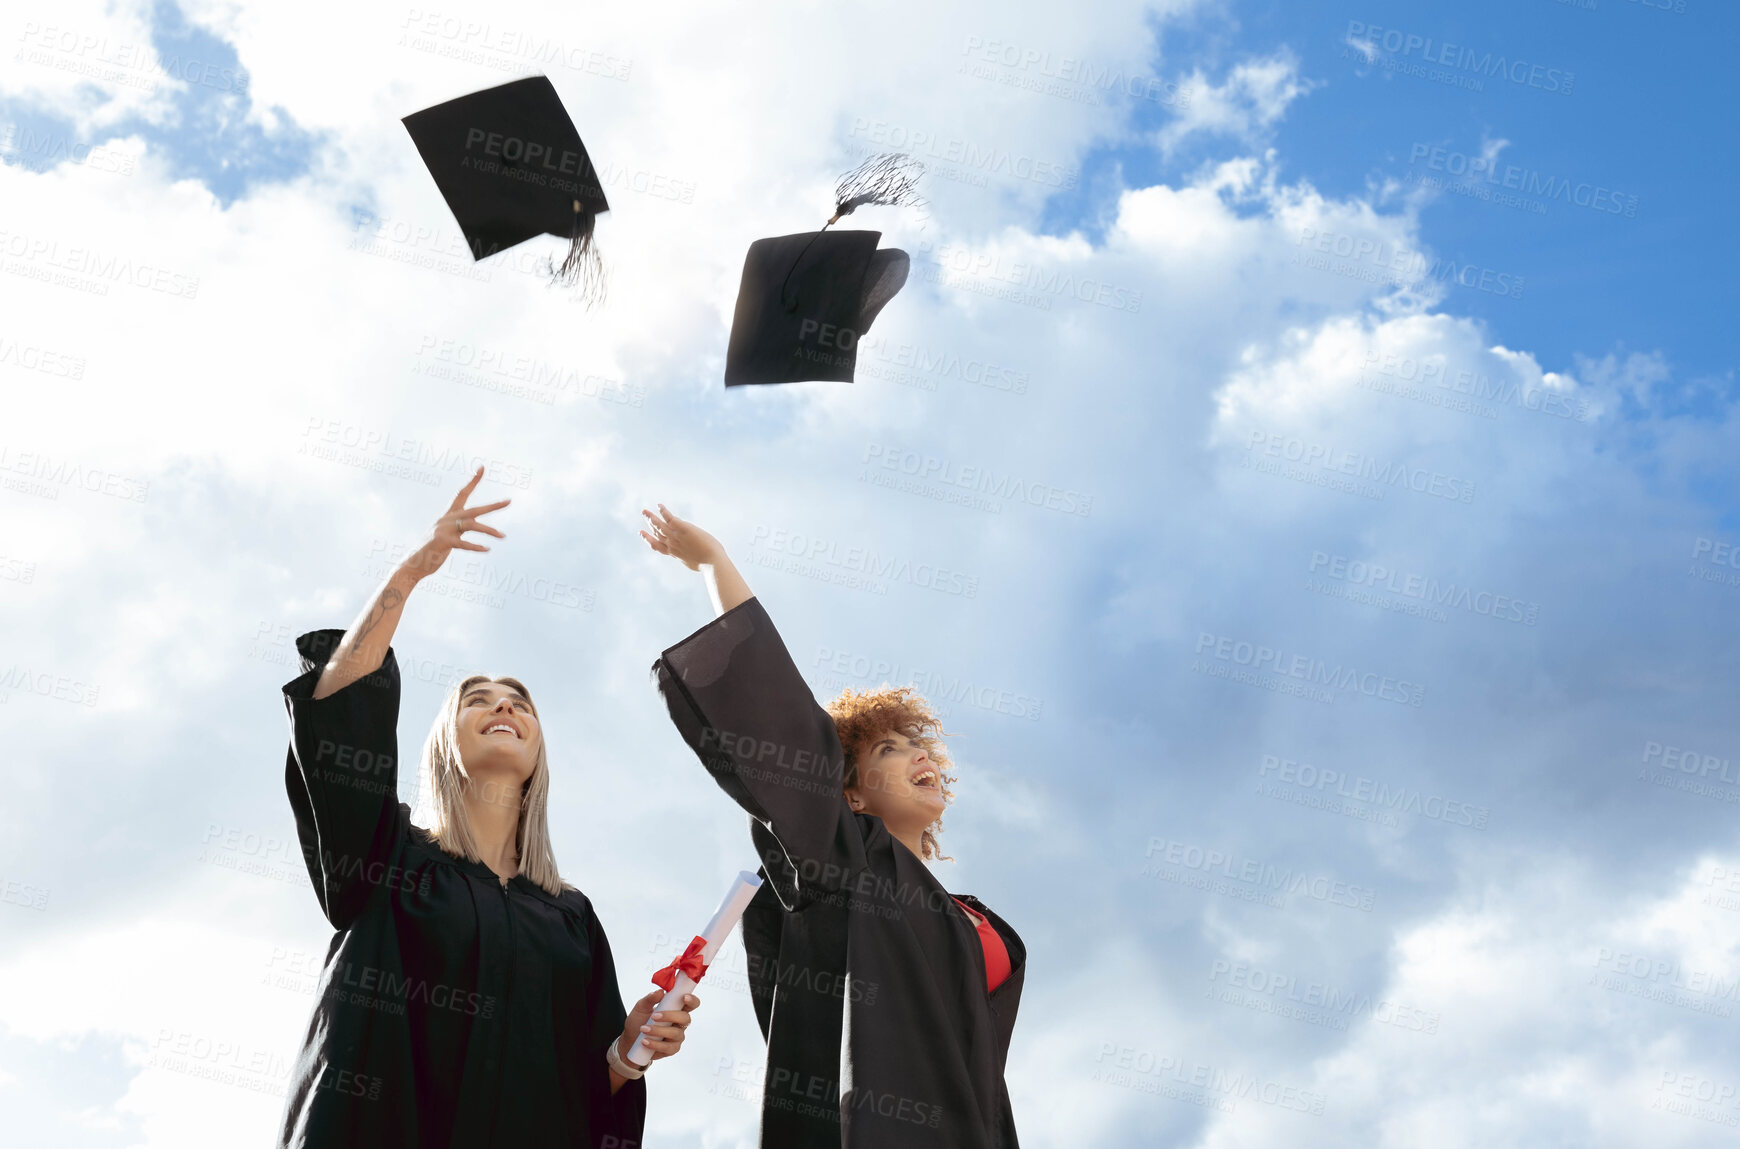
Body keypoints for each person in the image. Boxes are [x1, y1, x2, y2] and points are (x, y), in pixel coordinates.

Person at [276, 469, 697, 1148]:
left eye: (520, 702)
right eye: (478, 698)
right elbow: (339, 707)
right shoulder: (386, 856)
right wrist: (410, 575)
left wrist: (629, 1049)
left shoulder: (571, 919)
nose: (503, 704)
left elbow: (591, 1089)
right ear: (445, 743)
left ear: (539, 751)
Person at [639, 504, 1024, 1148]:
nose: (920, 755)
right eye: (889, 750)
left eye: (918, 744)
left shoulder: (973, 915)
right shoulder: (847, 863)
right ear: (850, 794)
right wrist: (715, 564)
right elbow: (784, 721)